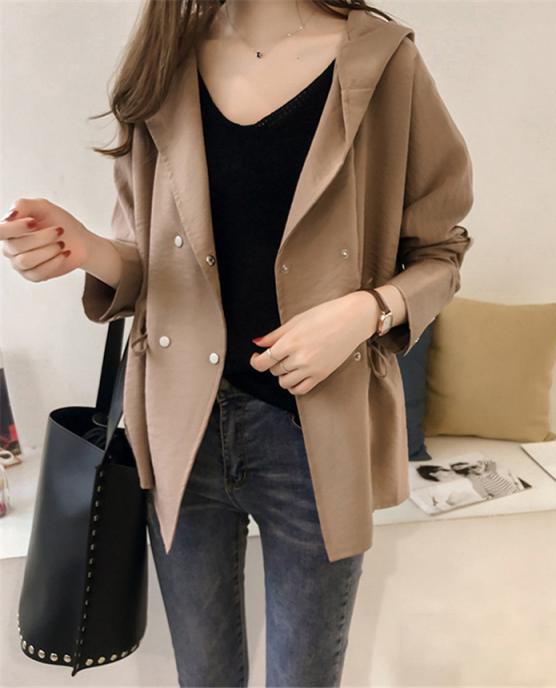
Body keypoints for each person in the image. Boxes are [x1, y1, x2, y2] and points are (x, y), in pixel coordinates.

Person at [0, 1, 474, 685]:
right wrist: (85, 249)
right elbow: (152, 264)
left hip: (312, 434)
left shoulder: (382, 61)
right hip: (181, 432)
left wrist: (364, 312)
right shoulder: (164, 61)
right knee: (204, 678)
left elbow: (442, 252)